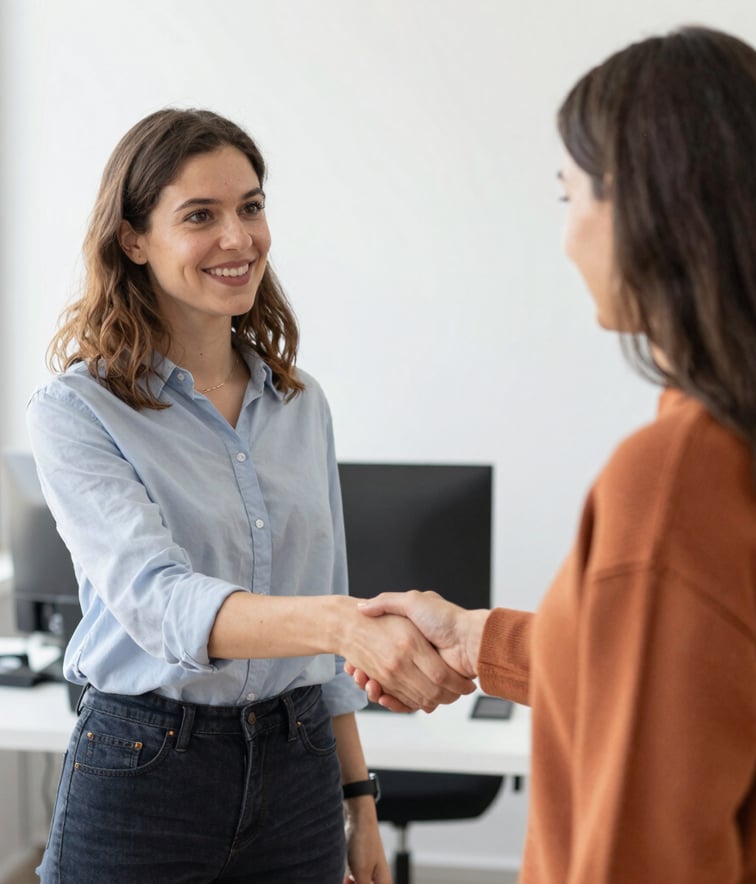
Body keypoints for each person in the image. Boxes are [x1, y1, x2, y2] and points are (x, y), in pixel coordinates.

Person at [349, 26, 756, 883]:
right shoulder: (738, 440)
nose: (568, 235)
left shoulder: (677, 479)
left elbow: (642, 857)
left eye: (568, 194)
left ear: (647, 208)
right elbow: (694, 689)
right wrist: (477, 640)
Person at [27, 108, 475, 884]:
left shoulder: (301, 404)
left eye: (251, 207)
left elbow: (324, 604)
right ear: (134, 240)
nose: (239, 238)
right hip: (145, 768)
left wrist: (360, 800)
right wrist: (342, 625)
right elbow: (160, 603)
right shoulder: (78, 412)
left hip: (298, 769)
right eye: (200, 216)